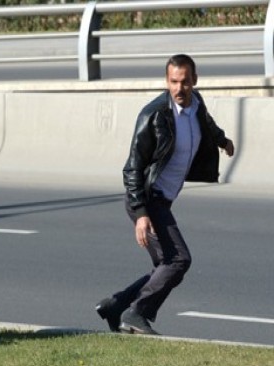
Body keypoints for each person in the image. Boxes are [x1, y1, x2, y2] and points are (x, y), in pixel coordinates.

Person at [95, 54, 236, 335]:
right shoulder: (154, 115)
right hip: (148, 199)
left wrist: (223, 141)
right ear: (166, 81)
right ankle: (136, 313)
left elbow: (206, 123)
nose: (179, 89)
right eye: (173, 82)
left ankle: (117, 305)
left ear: (194, 81)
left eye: (184, 82)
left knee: (165, 265)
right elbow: (132, 168)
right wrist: (141, 214)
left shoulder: (196, 105)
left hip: (162, 200)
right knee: (179, 260)